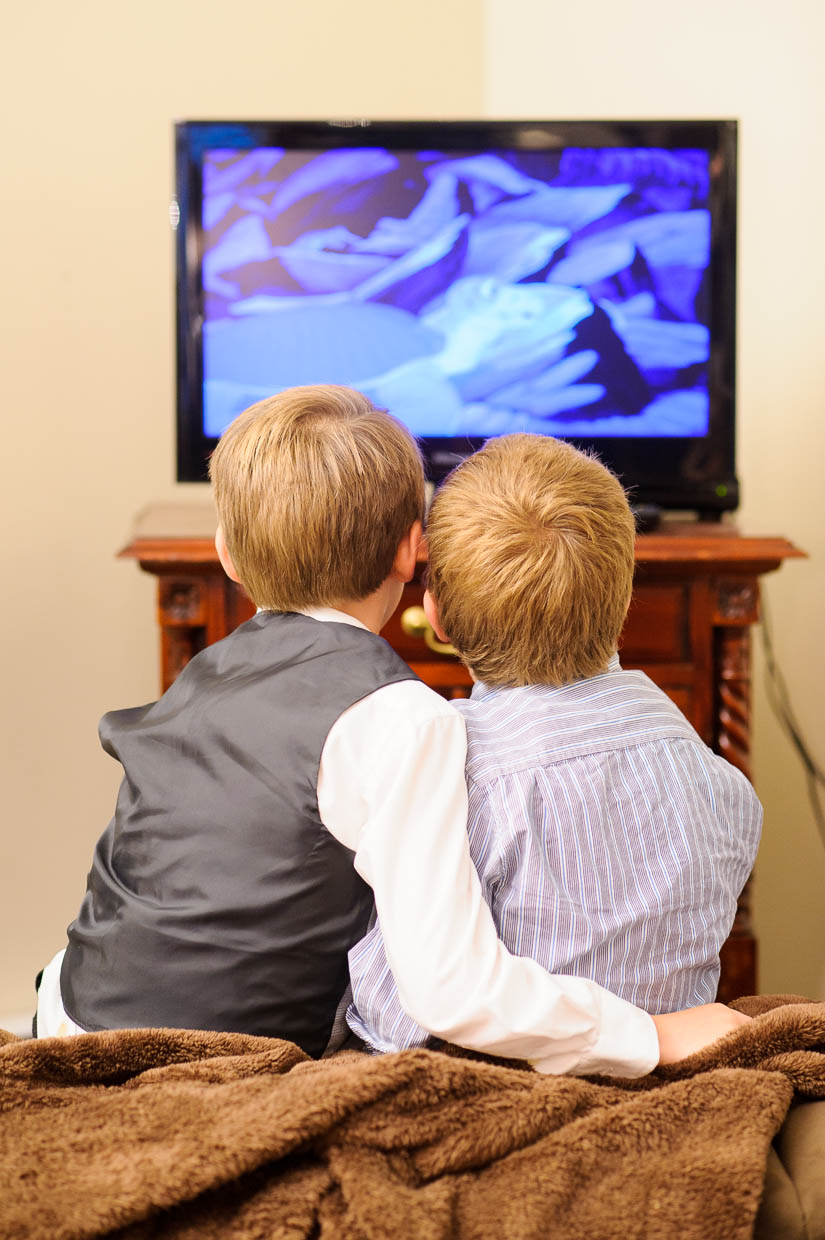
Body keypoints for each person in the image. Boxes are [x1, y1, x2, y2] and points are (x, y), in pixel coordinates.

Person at [36, 387, 750, 1074]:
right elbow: (450, 987)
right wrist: (648, 1034)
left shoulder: (202, 680)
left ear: (225, 552)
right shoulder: (407, 720)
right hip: (216, 1061)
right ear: (410, 554)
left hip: (77, 1001)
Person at [348, 432, 762, 1054]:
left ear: (435, 618)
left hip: (495, 1097)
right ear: (624, 600)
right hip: (665, 1088)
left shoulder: (450, 779)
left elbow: (399, 1023)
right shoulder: (725, 790)